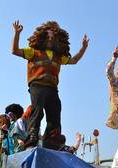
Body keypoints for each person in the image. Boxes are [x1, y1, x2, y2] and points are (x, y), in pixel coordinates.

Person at [11, 20, 89, 150]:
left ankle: (53, 140)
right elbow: (15, 50)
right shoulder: (33, 51)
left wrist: (83, 48)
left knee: (55, 111)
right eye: (48, 34)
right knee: (37, 110)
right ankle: (32, 138)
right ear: (42, 36)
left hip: (52, 88)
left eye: (54, 36)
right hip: (37, 85)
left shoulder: (58, 57)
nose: (51, 37)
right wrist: (17, 33)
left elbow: (74, 60)